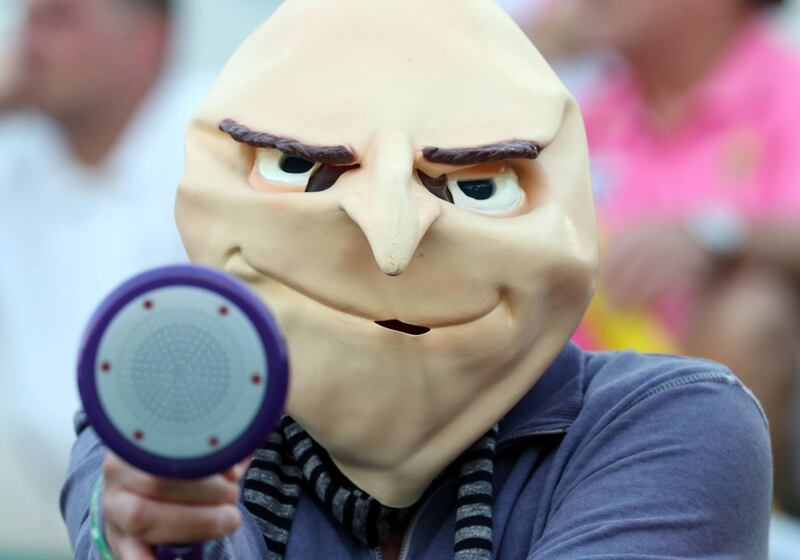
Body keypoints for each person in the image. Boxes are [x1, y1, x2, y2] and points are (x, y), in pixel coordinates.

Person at [61, 1, 771, 558]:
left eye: (478, 183)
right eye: (304, 168)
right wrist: (149, 533)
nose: (392, 243)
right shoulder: (165, 413)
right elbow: (130, 515)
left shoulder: (668, 425)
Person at [564, 0, 800, 513]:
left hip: (715, 415)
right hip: (576, 408)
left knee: (751, 308)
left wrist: (715, 236)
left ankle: (718, 519)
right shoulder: (583, 109)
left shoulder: (788, 89)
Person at [0, 0, 203, 554]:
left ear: (147, 40)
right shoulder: (18, 150)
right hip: (75, 520)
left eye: (59, 20)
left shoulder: (224, 144)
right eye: (29, 20)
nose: (28, 45)